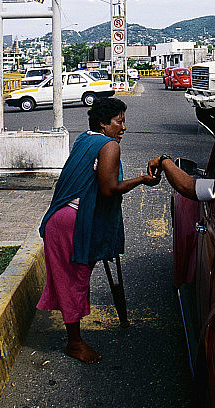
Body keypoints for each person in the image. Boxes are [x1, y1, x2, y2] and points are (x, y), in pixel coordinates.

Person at [37, 98, 159, 364]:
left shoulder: (85, 139)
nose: (123, 127)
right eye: (119, 122)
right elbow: (108, 189)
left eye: (123, 121)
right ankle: (74, 343)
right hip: (73, 224)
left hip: (60, 219)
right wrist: (142, 179)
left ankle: (74, 337)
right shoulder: (109, 145)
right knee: (75, 280)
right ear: (103, 124)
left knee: (71, 279)